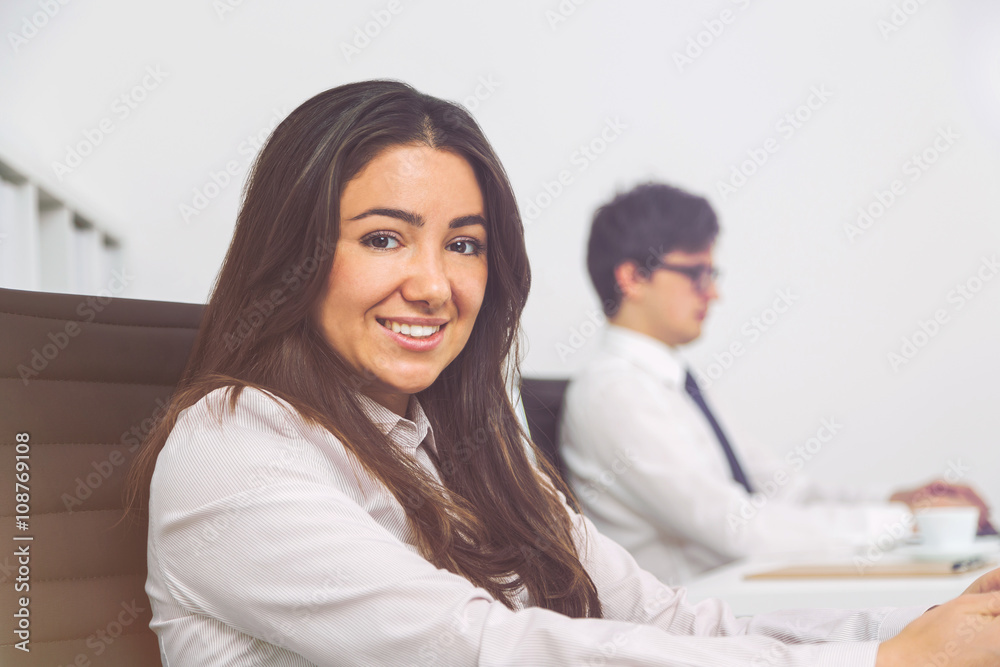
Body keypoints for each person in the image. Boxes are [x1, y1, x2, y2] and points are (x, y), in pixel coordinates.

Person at [125, 81, 1000, 666]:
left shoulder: (460, 444)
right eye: (384, 237)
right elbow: (483, 649)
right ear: (298, 250)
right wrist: (881, 657)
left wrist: (911, 634)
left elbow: (661, 614)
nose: (434, 284)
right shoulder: (233, 448)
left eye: (463, 244)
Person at [559, 182, 993, 585]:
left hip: (746, 597)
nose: (713, 293)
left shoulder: (677, 384)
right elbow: (738, 527)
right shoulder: (612, 395)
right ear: (633, 277)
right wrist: (909, 521)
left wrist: (900, 501)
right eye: (696, 274)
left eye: (713, 275)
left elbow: (787, 492)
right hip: (699, 623)